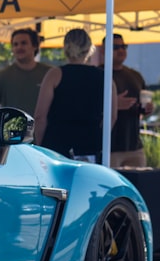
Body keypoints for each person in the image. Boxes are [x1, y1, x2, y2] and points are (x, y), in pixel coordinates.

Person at [33, 28, 118, 162]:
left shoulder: (55, 74)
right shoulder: (105, 77)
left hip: (56, 146)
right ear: (90, 48)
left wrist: (40, 146)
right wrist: (98, 138)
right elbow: (111, 117)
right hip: (90, 145)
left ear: (65, 47)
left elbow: (40, 116)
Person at [101, 34, 154, 168]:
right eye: (115, 47)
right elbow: (88, 108)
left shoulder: (135, 76)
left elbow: (140, 107)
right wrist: (114, 105)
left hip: (134, 146)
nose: (121, 50)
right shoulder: (98, 74)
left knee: (140, 186)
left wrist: (146, 109)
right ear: (104, 50)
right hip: (109, 147)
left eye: (124, 46)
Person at [0, 28, 51, 116]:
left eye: (24, 43)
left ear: (35, 46)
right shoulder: (2, 76)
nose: (19, 47)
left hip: (46, 129)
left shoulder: (49, 74)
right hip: (12, 129)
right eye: (15, 44)